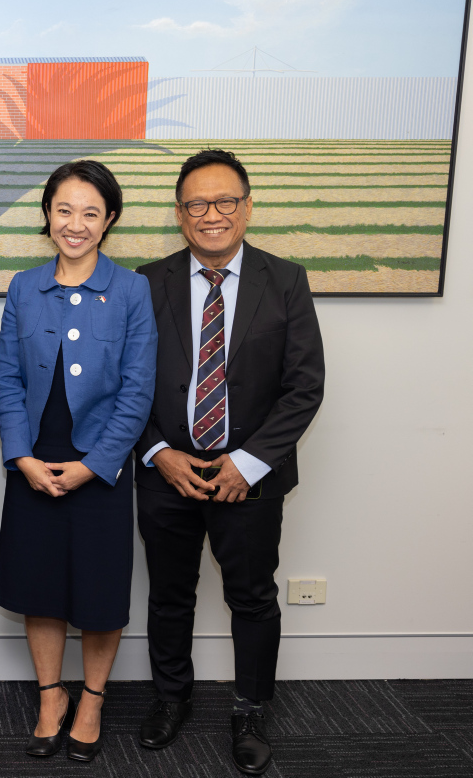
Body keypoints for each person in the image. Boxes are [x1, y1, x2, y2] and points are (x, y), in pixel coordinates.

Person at [134, 150, 325, 776]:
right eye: (196, 204)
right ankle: (171, 698)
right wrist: (159, 454)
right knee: (169, 596)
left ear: (247, 206)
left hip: (251, 477)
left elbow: (304, 386)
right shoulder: (148, 282)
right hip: (169, 470)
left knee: (252, 596)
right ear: (180, 213)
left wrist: (249, 463)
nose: (210, 215)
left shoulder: (287, 280)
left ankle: (250, 710)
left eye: (224, 202)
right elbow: (126, 383)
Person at [0, 161, 157, 762]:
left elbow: (139, 390)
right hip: (35, 460)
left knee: (98, 589)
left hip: (102, 466)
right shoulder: (23, 287)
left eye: (90, 212)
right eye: (64, 210)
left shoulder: (133, 290)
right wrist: (21, 456)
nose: (76, 224)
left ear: (109, 219)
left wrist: (96, 464)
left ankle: (91, 699)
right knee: (41, 587)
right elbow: (7, 380)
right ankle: (50, 696)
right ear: (47, 215)